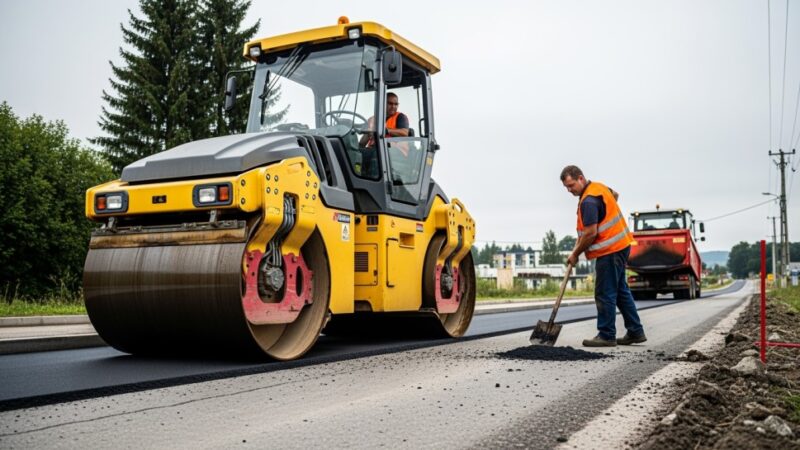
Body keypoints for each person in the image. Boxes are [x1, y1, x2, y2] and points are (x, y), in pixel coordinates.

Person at [561, 165, 646, 347]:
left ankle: (607, 334)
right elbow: (615, 195)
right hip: (621, 245)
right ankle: (635, 331)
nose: (569, 190)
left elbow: (590, 233)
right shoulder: (599, 188)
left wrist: (575, 253)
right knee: (621, 291)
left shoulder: (589, 201)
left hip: (611, 250)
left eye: (571, 185)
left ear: (581, 178)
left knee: (604, 292)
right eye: (566, 187)